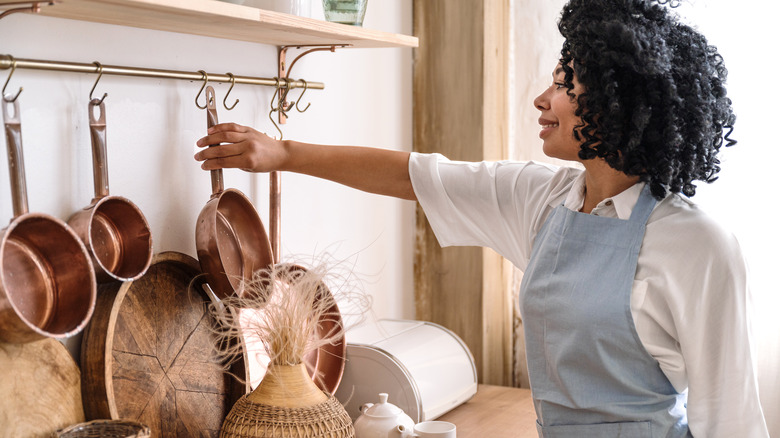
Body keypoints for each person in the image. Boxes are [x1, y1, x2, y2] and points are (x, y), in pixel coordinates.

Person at [195, 0, 769, 435]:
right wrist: (285, 155)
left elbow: (732, 418)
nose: (542, 99)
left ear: (620, 100)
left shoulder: (697, 244)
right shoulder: (543, 200)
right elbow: (417, 174)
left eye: (565, 82)